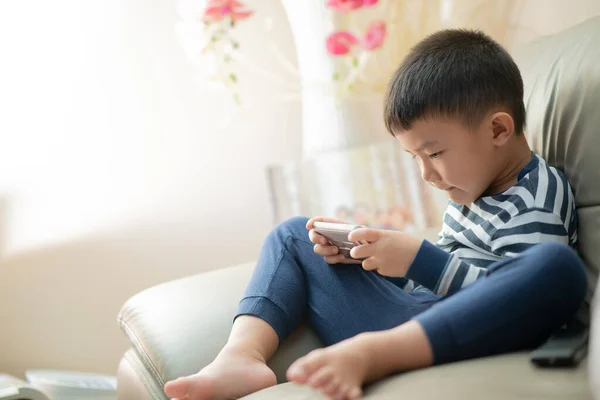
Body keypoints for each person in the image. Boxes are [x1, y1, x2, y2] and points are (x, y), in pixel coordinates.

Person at [163, 29, 587, 400]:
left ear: (498, 129)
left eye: (434, 153)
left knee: (557, 268)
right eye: (414, 157)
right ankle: (241, 356)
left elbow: (511, 302)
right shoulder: (470, 191)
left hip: (462, 337)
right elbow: (438, 280)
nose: (426, 174)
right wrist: (371, 258)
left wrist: (418, 258)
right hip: (409, 324)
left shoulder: (537, 199)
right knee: (293, 234)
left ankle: (372, 354)